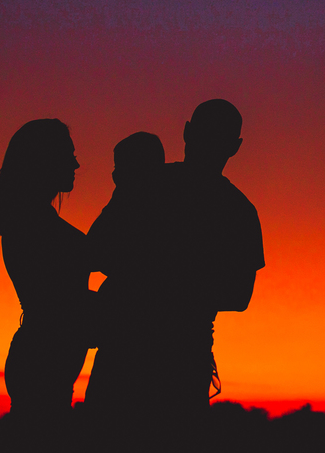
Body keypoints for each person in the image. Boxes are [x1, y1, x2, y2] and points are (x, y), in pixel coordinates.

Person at [85, 100, 264, 449]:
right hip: (168, 356)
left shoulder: (150, 185)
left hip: (146, 353)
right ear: (236, 147)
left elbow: (96, 252)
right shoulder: (239, 210)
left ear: (186, 132)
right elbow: (239, 296)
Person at [0, 118, 93, 444]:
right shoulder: (33, 224)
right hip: (42, 364)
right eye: (68, 155)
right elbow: (61, 302)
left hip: (42, 361)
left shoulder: (35, 219)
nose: (76, 163)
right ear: (44, 160)